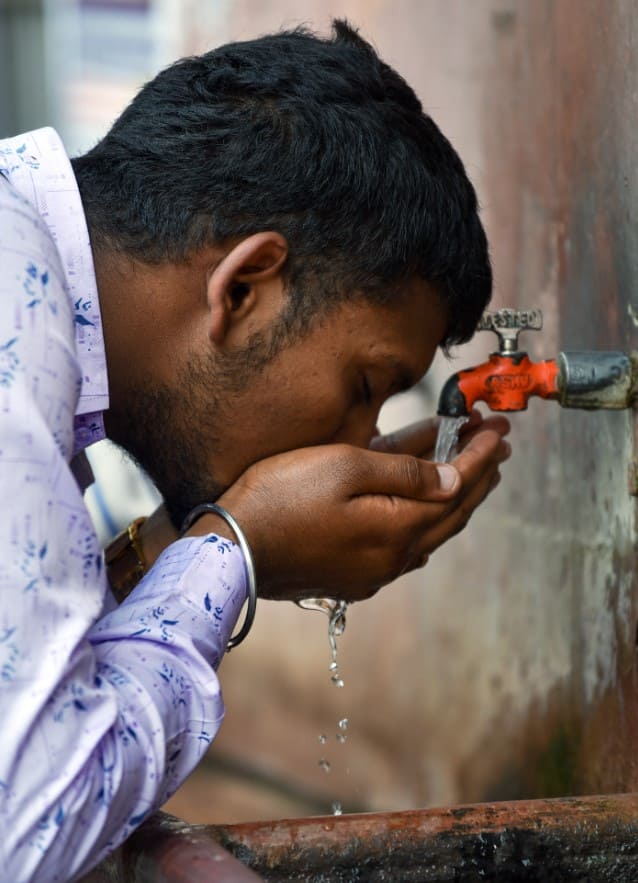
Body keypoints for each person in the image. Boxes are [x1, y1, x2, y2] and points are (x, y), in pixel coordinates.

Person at [0, 19, 510, 881]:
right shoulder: (18, 324)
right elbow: (34, 821)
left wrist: (175, 551)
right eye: (364, 386)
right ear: (245, 286)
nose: (357, 444)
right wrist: (236, 542)